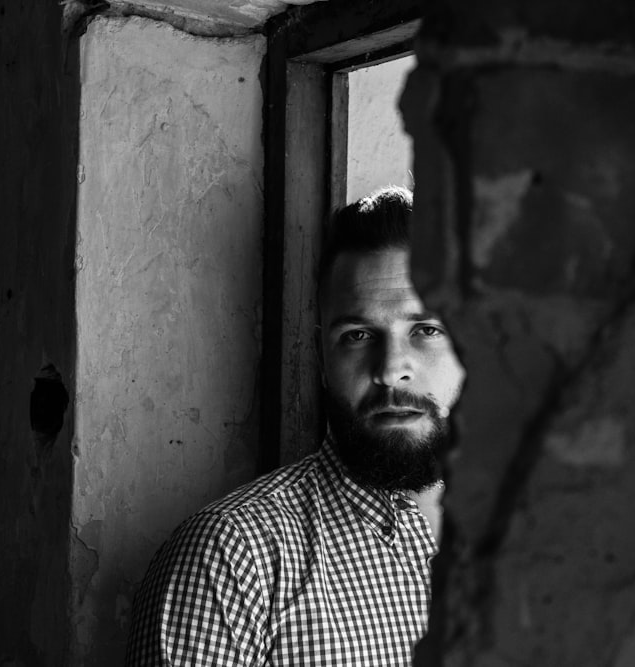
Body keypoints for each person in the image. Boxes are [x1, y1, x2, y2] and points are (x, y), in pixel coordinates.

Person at [125, 186, 465, 666]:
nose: (391, 370)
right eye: (358, 335)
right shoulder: (234, 562)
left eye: (426, 330)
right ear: (322, 356)